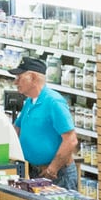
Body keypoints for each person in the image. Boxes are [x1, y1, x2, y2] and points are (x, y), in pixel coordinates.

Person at [13, 57, 79, 191]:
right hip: (33, 171)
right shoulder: (30, 102)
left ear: (32, 77)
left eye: (19, 77)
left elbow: (71, 140)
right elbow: (17, 129)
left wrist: (52, 169)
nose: (15, 82)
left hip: (57, 175)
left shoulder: (54, 102)